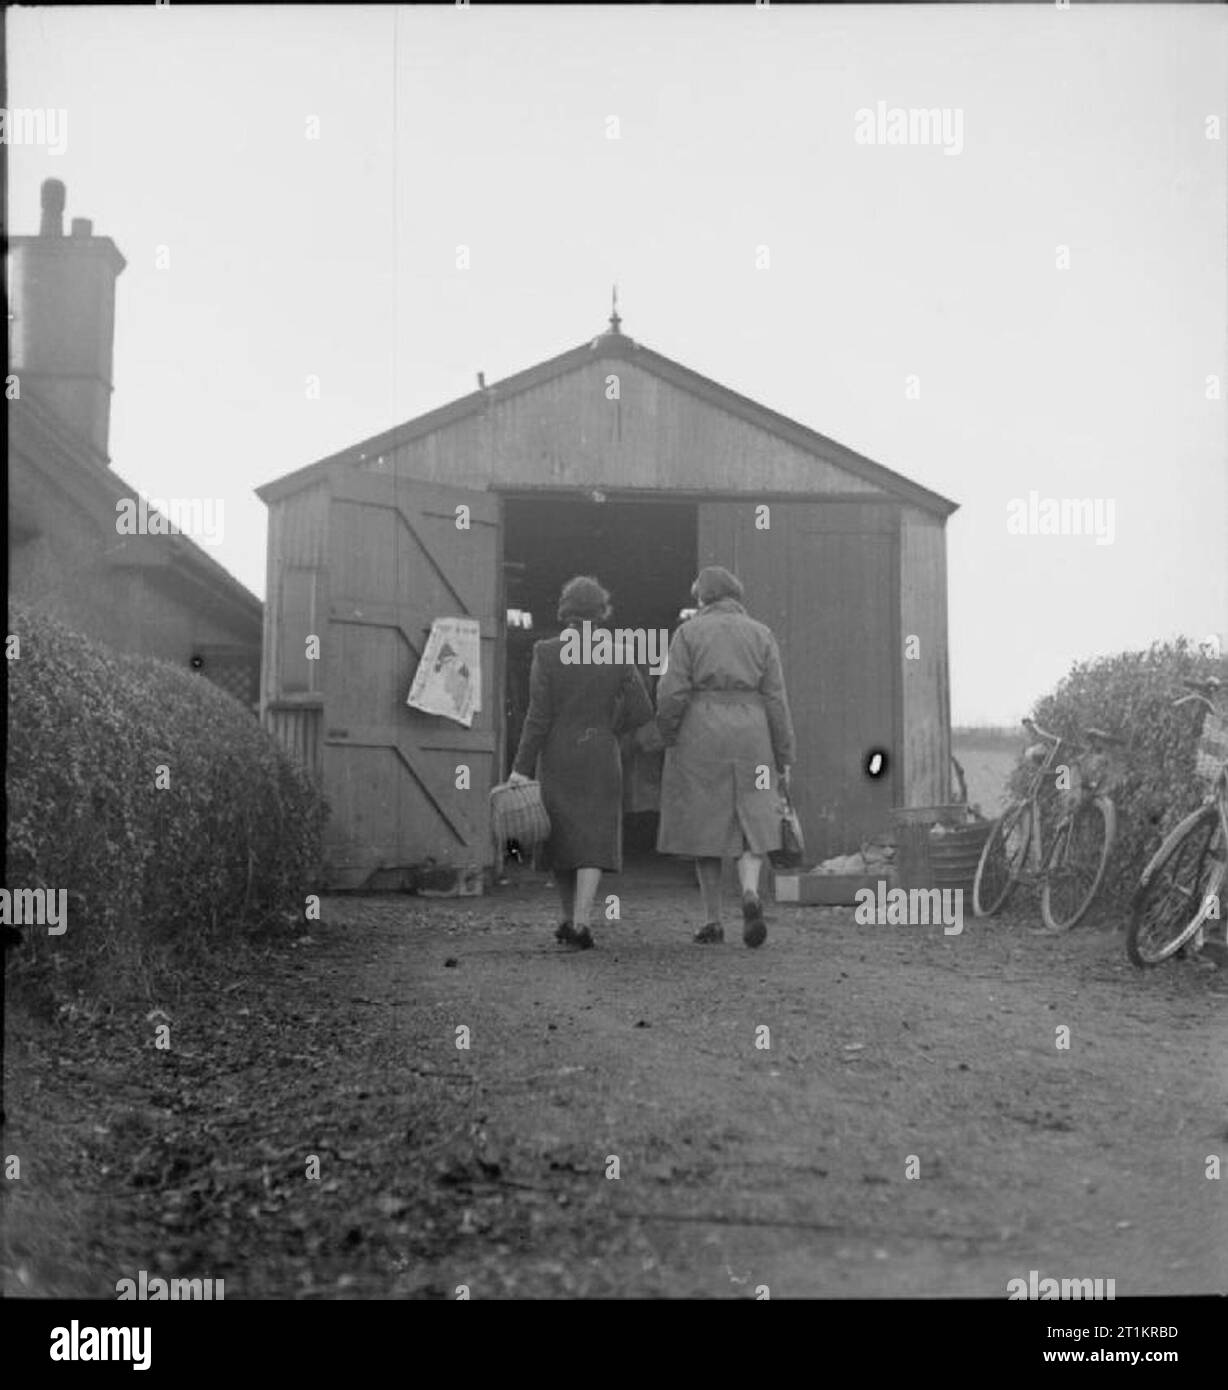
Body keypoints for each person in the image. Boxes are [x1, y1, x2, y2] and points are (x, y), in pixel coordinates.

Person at [509, 576, 653, 949]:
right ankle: (583, 922)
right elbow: (642, 709)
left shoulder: (546, 651)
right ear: (601, 611)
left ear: (566, 609)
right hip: (601, 753)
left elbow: (537, 717)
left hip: (558, 753)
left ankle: (566, 917)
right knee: (594, 837)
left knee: (560, 835)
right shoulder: (620, 651)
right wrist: (609, 728)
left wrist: (520, 768)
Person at [655, 565, 795, 948]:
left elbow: (672, 691)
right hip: (753, 734)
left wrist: (667, 732)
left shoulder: (688, 633)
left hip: (702, 734)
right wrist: (783, 752)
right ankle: (750, 892)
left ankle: (712, 920)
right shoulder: (762, 634)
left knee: (706, 824)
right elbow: (776, 699)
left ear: (703, 598)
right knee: (753, 815)